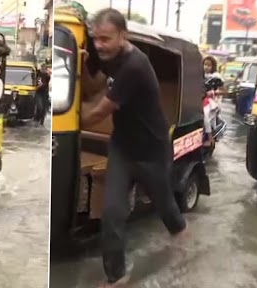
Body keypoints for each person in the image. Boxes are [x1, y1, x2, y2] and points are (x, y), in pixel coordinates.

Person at [80, 9, 188, 287]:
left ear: (123, 36)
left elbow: (98, 112)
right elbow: (94, 86)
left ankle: (184, 241)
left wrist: (64, 118)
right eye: (95, 39)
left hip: (152, 151)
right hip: (122, 148)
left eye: (106, 39)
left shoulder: (134, 66)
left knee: (166, 208)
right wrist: (79, 65)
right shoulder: (111, 58)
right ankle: (117, 277)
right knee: (112, 212)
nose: (99, 45)